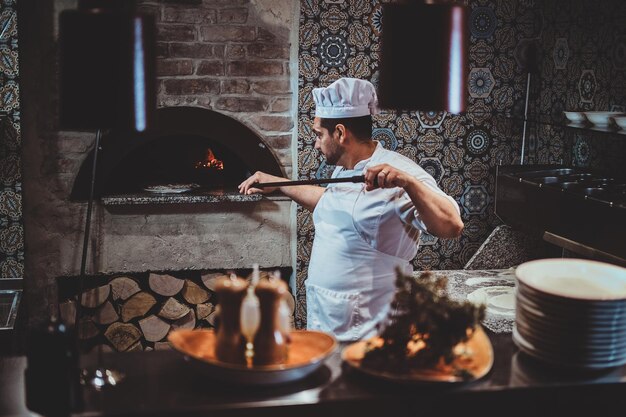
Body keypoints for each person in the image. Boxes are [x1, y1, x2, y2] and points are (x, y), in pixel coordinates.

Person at [239, 78, 463, 341]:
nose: (316, 144)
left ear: (341, 133)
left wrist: (409, 183)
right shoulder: (345, 168)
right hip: (330, 319)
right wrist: (278, 183)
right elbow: (331, 203)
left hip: (369, 330)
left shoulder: (399, 173)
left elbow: (452, 225)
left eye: (319, 135)